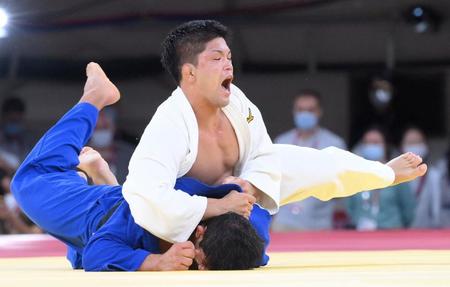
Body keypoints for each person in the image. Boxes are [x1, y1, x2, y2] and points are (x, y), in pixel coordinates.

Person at [122, 19, 428, 243]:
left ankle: (383, 174)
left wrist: (249, 189)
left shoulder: (237, 101)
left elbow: (264, 153)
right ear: (189, 73)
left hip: (244, 188)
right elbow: (145, 195)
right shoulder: (168, 126)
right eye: (216, 59)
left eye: (229, 57)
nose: (228, 66)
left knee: (322, 164)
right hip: (192, 213)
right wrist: (217, 205)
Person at [11, 63, 264, 271]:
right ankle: (94, 97)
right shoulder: (165, 206)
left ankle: (102, 175)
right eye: (203, 262)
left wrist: (245, 186)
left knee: (83, 254)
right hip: (99, 214)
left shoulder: (243, 241)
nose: (201, 270)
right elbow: (97, 254)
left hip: (121, 214)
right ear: (199, 232)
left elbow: (255, 242)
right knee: (29, 181)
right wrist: (157, 262)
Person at [272, 90, 347, 231]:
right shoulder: (281, 142)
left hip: (320, 222)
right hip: (284, 221)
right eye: (300, 110)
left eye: (310, 110)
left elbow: (342, 185)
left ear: (319, 112)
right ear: (294, 112)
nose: (304, 114)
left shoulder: (334, 144)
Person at [346, 127, 415, 230]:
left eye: (376, 142)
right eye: (367, 143)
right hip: (361, 235)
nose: (371, 146)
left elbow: (408, 210)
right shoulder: (355, 174)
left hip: (392, 233)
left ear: (385, 145)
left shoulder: (397, 172)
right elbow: (350, 208)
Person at [401, 127, 442, 228]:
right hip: (400, 231)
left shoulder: (433, 175)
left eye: (417, 142)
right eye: (410, 143)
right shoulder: (395, 175)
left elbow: (436, 209)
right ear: (402, 147)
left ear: (425, 145)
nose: (414, 146)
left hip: (426, 232)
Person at [88, 108, 135, 184]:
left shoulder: (129, 154)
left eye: (104, 127)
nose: (100, 132)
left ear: (114, 128)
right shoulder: (77, 157)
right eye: (96, 128)